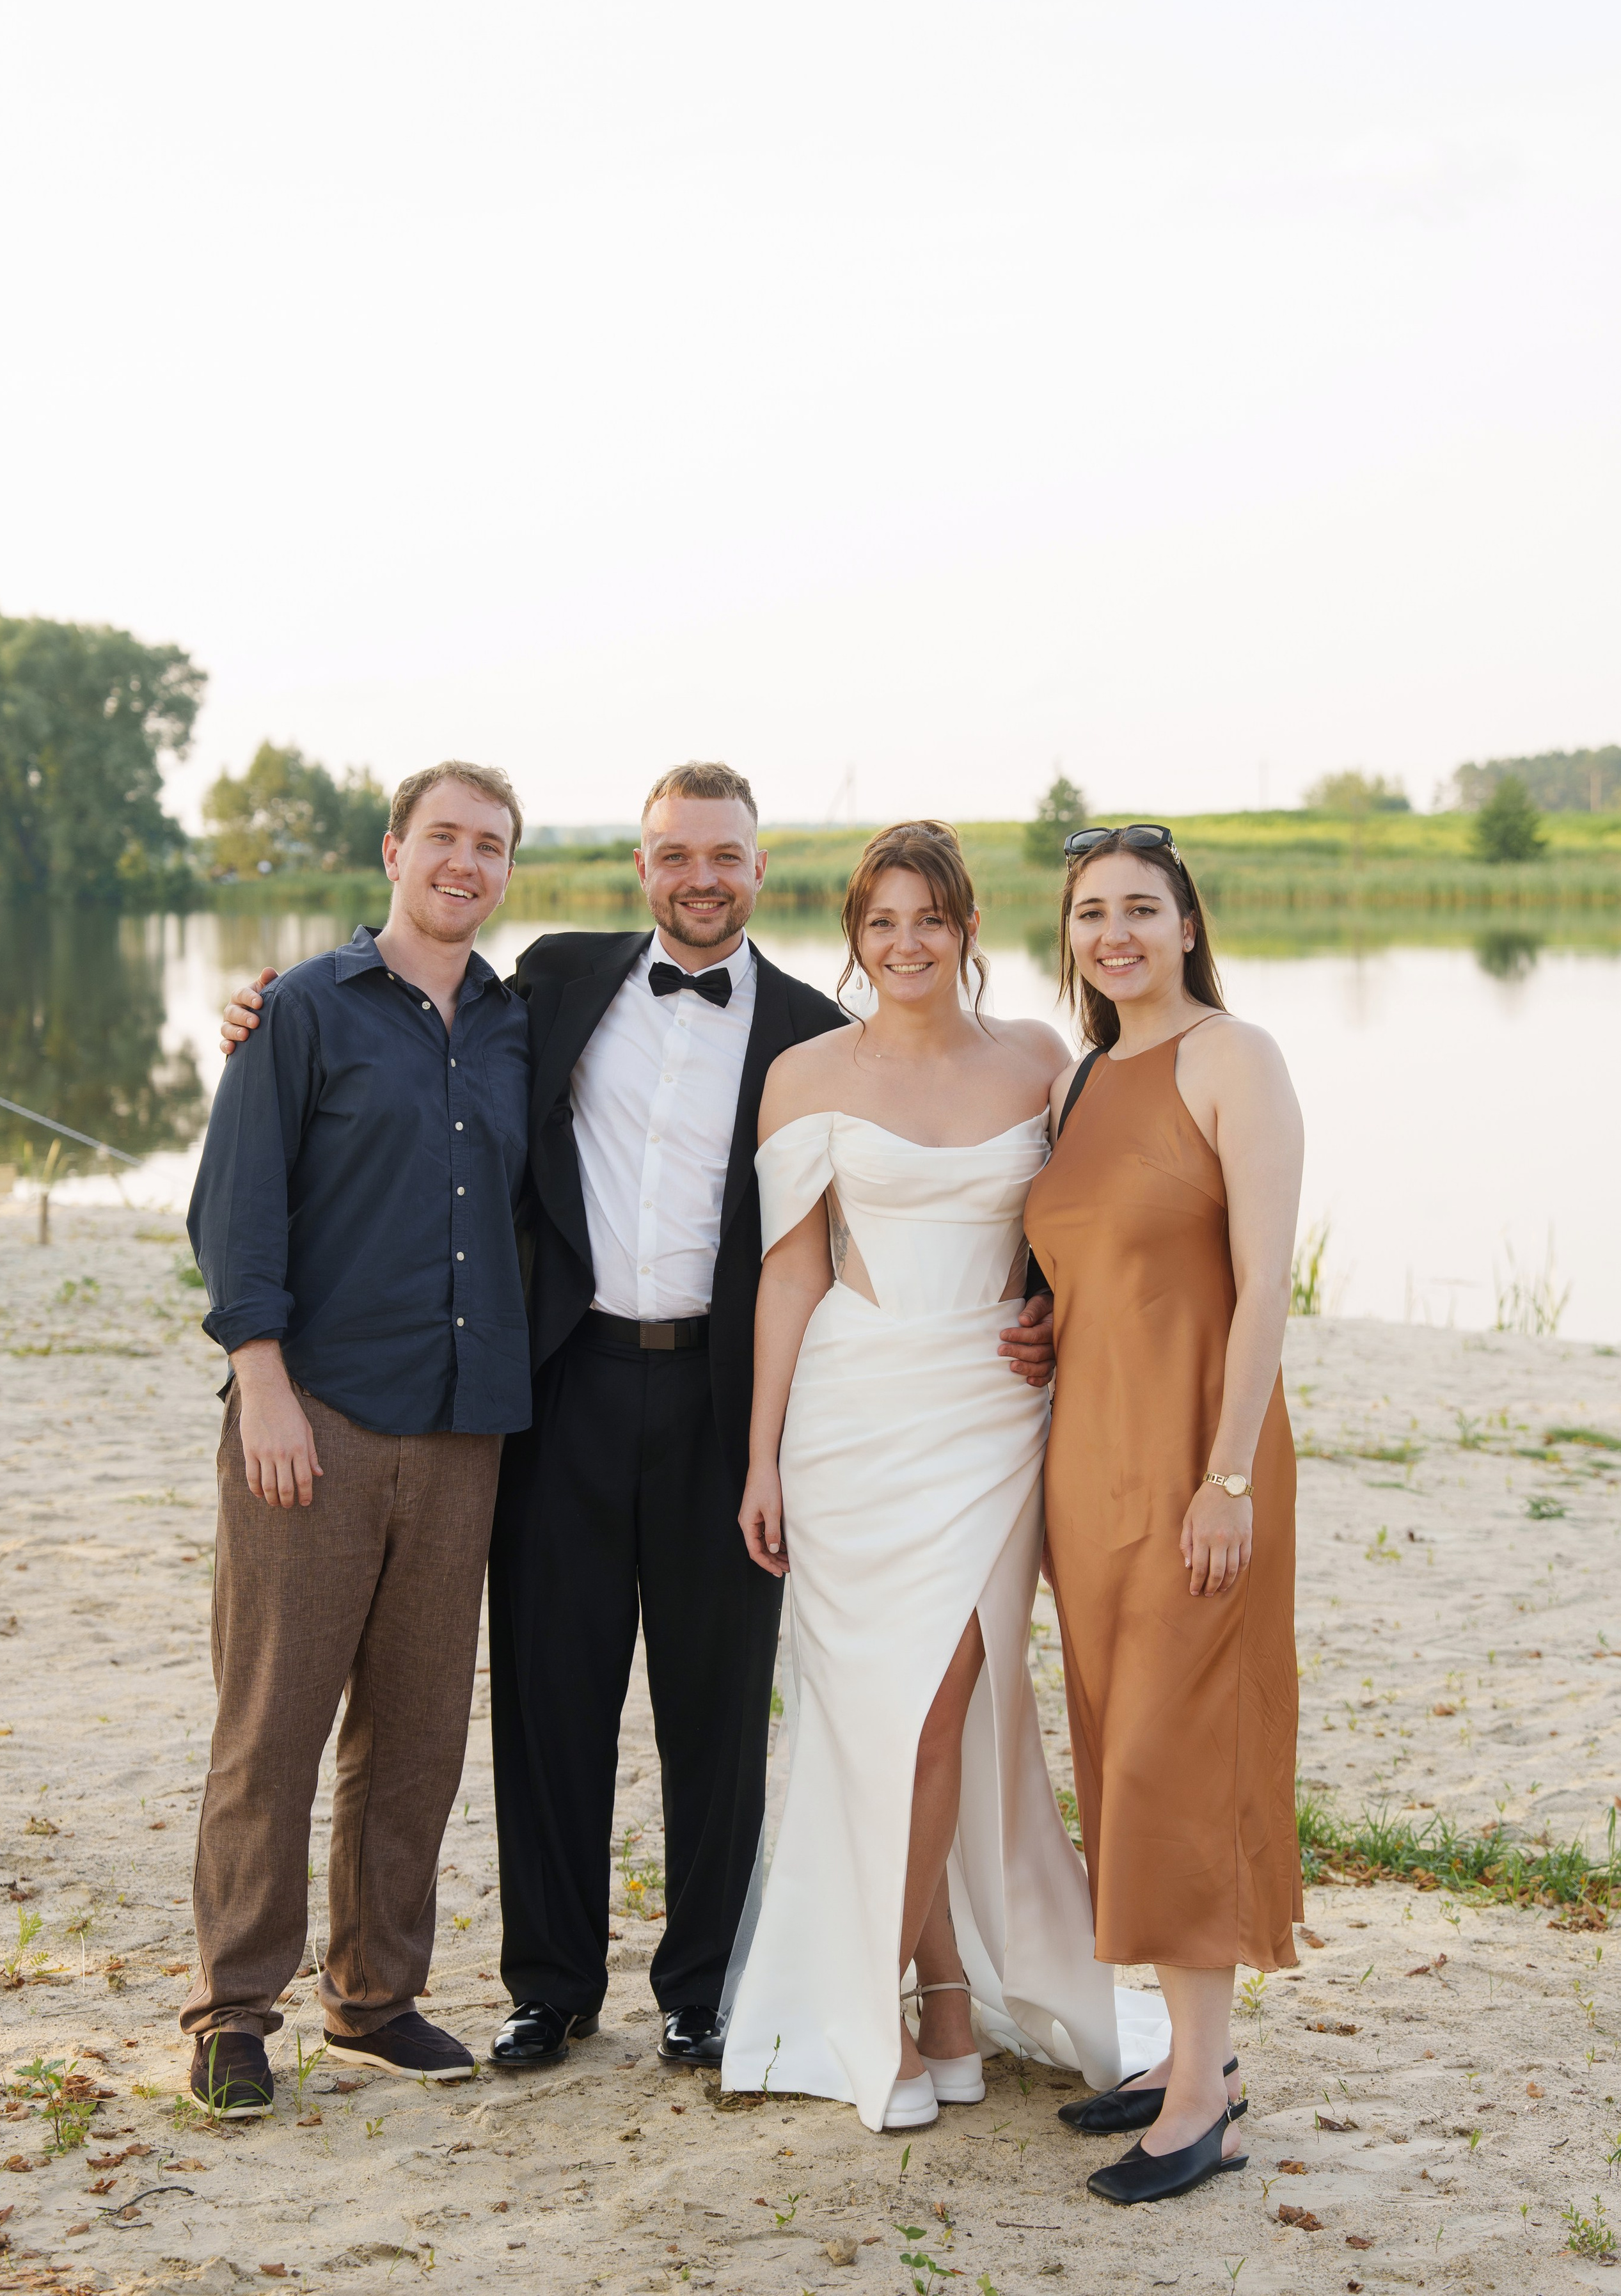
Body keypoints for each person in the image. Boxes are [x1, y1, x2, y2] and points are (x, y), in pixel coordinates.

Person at [219, 763, 1064, 2073]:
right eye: (675, 854)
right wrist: (268, 1012)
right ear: (641, 866)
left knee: (716, 1706)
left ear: (760, 872)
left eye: (723, 856)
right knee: (548, 1694)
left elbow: (950, 1190)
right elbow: (405, 998)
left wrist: (1040, 1301)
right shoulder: (551, 980)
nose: (700, 878)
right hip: (557, 1385)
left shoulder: (805, 1030)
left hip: (730, 1398)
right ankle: (548, 1987)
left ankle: (703, 1988)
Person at [720, 823, 1165, 2132]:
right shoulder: (804, 1075)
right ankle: (934, 1989)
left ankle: (939, 1989)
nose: (903, 944)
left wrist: (1045, 1307)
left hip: (990, 1414)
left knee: (950, 1702)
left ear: (967, 930)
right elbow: (790, 1270)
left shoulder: (1037, 1057)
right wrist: (759, 1455)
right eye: (878, 923)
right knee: (879, 1717)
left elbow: (1082, 1224)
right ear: (853, 939)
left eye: (928, 919)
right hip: (852, 1416)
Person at [182, 761, 531, 2116]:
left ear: (507, 870)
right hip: (312, 1415)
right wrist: (259, 1380)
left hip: (464, 1425)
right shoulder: (305, 1009)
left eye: (489, 844)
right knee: (271, 1721)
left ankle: (375, 1999)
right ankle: (232, 2011)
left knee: (417, 1733)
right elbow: (235, 1206)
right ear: (392, 850)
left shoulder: (518, 1021)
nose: (463, 861)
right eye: (441, 835)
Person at [1024, 823, 1304, 2205]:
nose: (1114, 932)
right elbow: (1091, 1265)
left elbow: (1261, 1286)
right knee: (1115, 1747)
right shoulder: (1084, 1073)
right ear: (1068, 935)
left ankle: (1201, 2096)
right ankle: (1183, 2054)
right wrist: (1040, 1327)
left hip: (1202, 1460)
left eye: (1140, 907)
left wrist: (1229, 1472)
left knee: (1176, 1758)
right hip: (1088, 1468)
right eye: (1089, 912)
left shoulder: (1229, 1058)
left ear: (1187, 923)